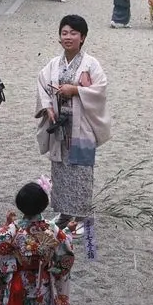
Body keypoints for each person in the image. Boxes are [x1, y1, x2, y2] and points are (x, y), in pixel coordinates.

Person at [36, 15, 110, 229]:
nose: (68, 37)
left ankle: (83, 217)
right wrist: (48, 107)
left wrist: (76, 90)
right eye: (64, 33)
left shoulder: (91, 64)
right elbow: (42, 84)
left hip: (82, 126)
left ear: (83, 37)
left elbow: (100, 89)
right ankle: (65, 214)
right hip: (60, 124)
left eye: (73, 33)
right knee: (60, 169)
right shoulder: (53, 64)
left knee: (81, 171)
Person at [0, 182, 74, 305]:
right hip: (43, 278)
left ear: (19, 205)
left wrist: (6, 226)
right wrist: (68, 232)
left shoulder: (13, 229)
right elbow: (64, 247)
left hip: (20, 278)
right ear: (44, 204)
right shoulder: (51, 228)